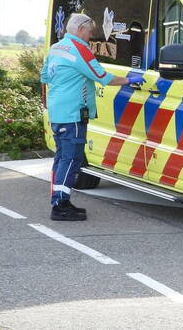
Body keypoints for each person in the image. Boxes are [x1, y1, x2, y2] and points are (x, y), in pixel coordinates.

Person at [40, 13, 133, 221]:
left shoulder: (56, 48)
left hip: (57, 112)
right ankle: (60, 206)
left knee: (62, 157)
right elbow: (102, 76)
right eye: (90, 31)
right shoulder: (79, 49)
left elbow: (44, 76)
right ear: (81, 30)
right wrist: (129, 80)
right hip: (73, 114)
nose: (91, 36)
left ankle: (60, 200)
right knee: (71, 158)